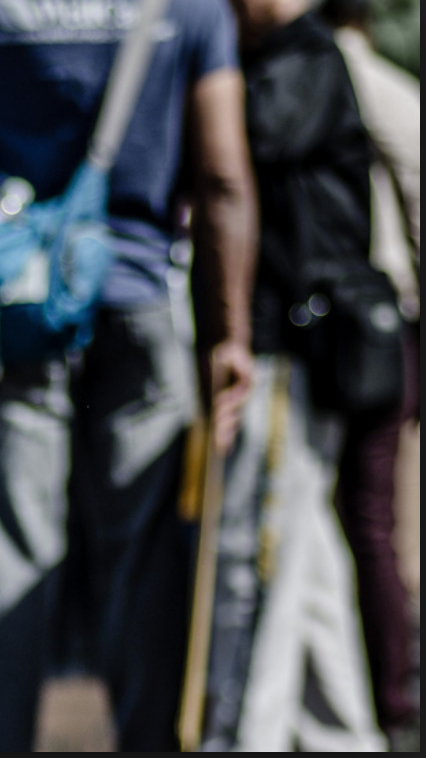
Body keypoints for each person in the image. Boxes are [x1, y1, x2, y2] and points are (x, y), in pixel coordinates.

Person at [0, 0, 258, 751]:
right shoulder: (193, 9)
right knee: (142, 566)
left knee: (5, 558)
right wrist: (229, 335)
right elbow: (222, 180)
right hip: (141, 301)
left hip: (14, 306)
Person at [201, 0, 388, 750]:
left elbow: (239, 146)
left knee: (263, 552)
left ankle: (248, 737)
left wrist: (200, 76)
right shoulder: (297, 56)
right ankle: (346, 736)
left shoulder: (303, 58)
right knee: (307, 553)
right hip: (304, 345)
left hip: (291, 346)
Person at [324, 1, 420, 746]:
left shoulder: (352, 74)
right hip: (362, 324)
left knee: (369, 520)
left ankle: (388, 693)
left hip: (369, 328)